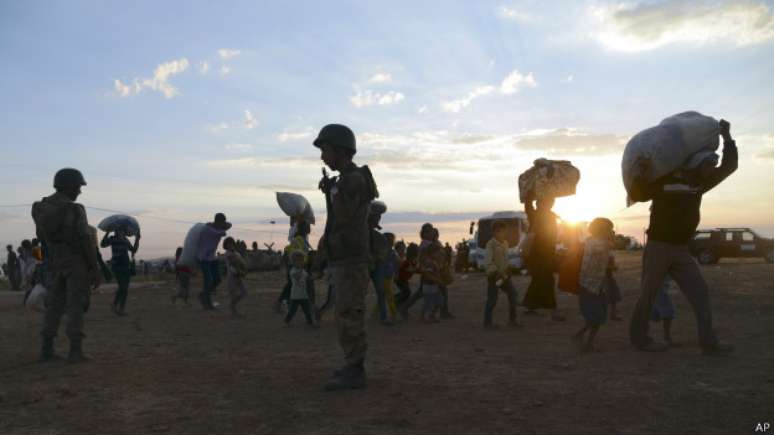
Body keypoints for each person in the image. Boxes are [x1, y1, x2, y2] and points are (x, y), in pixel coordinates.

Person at [628, 119, 737, 356]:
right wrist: (642, 171)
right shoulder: (665, 181)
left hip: (681, 249)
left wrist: (728, 138)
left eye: (713, 163)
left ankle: (709, 343)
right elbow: (637, 193)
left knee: (700, 294)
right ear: (697, 164)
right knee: (647, 295)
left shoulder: (700, 184)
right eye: (709, 163)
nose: (712, 169)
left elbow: (730, 166)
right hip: (658, 247)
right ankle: (640, 339)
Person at [315, 123, 378, 390]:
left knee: (349, 313)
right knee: (345, 312)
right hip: (347, 258)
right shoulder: (346, 180)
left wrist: (333, 192)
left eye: (325, 149)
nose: (322, 156)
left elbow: (344, 219)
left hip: (352, 259)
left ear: (340, 150)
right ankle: (352, 365)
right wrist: (331, 190)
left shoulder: (352, 180)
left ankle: (355, 369)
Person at [32, 168, 99, 363]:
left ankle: (47, 349)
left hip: (54, 262)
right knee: (75, 305)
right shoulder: (75, 209)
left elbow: (40, 237)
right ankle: (75, 351)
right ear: (68, 186)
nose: (80, 191)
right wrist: (94, 268)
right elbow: (86, 239)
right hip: (75, 262)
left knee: (54, 305)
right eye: (78, 186)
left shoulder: (40, 207)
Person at [572, 218, 615, 352]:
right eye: (609, 229)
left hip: (590, 284)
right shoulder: (601, 244)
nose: (611, 232)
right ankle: (588, 344)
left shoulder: (590, 241)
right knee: (597, 316)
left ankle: (580, 335)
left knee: (595, 315)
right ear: (603, 230)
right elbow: (604, 249)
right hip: (592, 285)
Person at [523, 193, 565, 321]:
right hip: (538, 255)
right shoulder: (536, 214)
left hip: (545, 254)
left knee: (538, 280)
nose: (551, 204)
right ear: (541, 203)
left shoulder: (550, 216)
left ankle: (530, 306)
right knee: (547, 281)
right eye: (549, 201)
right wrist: (529, 194)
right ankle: (552, 311)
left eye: (552, 201)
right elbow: (528, 206)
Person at [483, 221, 520, 329]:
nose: (502, 234)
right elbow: (488, 262)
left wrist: (508, 268)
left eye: (504, 231)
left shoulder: (505, 243)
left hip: (504, 276)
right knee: (492, 300)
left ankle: (512, 320)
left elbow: (505, 259)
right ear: (494, 232)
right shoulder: (490, 245)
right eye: (500, 231)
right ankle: (487, 323)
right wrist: (495, 272)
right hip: (494, 277)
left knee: (513, 295)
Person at [100, 228, 140, 316]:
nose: (122, 231)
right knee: (123, 287)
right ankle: (115, 305)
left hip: (126, 266)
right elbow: (102, 244)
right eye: (119, 230)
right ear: (116, 231)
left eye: (122, 230)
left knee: (125, 288)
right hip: (117, 266)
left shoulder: (126, 240)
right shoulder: (112, 238)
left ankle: (121, 309)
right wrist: (107, 233)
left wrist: (137, 239)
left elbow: (133, 250)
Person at [196, 213, 231, 310]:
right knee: (209, 280)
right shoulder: (208, 230)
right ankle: (207, 302)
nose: (224, 224)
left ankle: (204, 295)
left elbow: (229, 224)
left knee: (217, 279)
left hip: (212, 258)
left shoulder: (215, 228)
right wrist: (215, 226)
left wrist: (216, 224)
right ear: (218, 221)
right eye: (222, 222)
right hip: (203, 258)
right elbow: (222, 232)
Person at [275, 220, 312, 313]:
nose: (309, 228)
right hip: (295, 267)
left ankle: (283, 304)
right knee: (292, 287)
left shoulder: (300, 239)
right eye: (308, 227)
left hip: (295, 266)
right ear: (304, 229)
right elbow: (292, 252)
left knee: (291, 287)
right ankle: (282, 304)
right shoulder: (299, 239)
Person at [368, 201, 392, 325]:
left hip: (375, 266)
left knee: (381, 291)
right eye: (376, 216)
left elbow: (383, 255)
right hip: (365, 266)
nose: (378, 219)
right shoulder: (361, 235)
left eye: (379, 217)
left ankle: (383, 316)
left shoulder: (379, 238)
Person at [285, 251, 316, 327]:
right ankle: (286, 321)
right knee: (292, 311)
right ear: (293, 262)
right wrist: (301, 270)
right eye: (299, 260)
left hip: (304, 295)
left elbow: (308, 278)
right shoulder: (292, 271)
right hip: (295, 295)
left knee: (307, 310)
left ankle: (310, 322)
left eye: (302, 260)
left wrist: (316, 277)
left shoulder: (304, 271)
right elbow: (297, 277)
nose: (301, 262)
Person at [223, 237, 248, 317]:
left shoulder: (236, 253)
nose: (230, 245)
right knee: (234, 294)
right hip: (232, 277)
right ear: (226, 245)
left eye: (231, 243)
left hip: (238, 276)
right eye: (228, 244)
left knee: (243, 292)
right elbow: (232, 265)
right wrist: (240, 272)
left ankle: (232, 306)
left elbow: (241, 263)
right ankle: (233, 310)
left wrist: (242, 272)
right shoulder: (228, 254)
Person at [421, 241, 444, 323]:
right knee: (429, 303)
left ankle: (431, 316)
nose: (439, 255)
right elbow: (427, 275)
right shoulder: (429, 262)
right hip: (428, 287)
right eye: (438, 253)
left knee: (438, 302)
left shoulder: (434, 262)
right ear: (433, 252)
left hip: (434, 286)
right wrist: (438, 280)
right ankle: (426, 317)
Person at [651, 279, 677, 346]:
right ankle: (667, 338)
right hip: (657, 285)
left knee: (652, 310)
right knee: (668, 309)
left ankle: (641, 335)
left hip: (658, 285)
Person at [395, 242, 419, 308]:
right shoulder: (407, 261)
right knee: (406, 292)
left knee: (406, 292)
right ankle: (396, 301)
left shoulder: (409, 260)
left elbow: (413, 269)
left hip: (404, 279)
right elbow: (409, 269)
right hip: (400, 279)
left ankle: (397, 302)